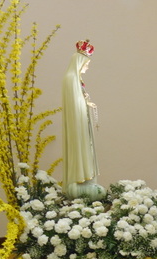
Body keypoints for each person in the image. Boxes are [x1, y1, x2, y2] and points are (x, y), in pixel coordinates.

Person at [62, 40, 104, 201]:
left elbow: (79, 98)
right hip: (77, 121)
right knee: (80, 146)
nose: (87, 67)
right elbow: (74, 102)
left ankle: (87, 177)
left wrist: (88, 103)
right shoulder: (71, 78)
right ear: (79, 62)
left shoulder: (76, 79)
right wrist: (84, 105)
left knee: (88, 147)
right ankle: (80, 177)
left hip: (82, 119)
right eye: (86, 64)